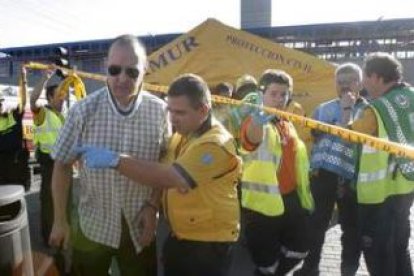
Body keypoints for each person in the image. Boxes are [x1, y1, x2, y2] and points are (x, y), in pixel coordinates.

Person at [77, 73, 242, 276]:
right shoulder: (182, 136)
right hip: (182, 237)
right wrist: (152, 204)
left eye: (180, 112)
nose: (172, 118)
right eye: (170, 110)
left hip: (208, 244)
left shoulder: (215, 144)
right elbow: (162, 167)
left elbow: (169, 177)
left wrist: (116, 160)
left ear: (203, 110)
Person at [49, 34, 171, 276]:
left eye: (132, 72)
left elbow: (164, 164)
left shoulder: (160, 113)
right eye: (115, 70)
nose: (122, 79)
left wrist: (153, 205)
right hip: (93, 227)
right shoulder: (82, 111)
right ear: (106, 66)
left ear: (145, 70)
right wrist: (60, 220)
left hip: (139, 228)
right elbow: (62, 165)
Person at [296, 63, 368, 276]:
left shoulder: (368, 110)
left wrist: (347, 110)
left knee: (350, 228)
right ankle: (310, 267)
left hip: (351, 178)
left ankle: (348, 270)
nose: (344, 86)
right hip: (323, 175)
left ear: (360, 83)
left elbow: (350, 137)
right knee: (316, 224)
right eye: (340, 82)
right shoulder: (323, 108)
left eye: (350, 81)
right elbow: (316, 137)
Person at [239, 69, 314, 276]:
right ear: (261, 93)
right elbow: (251, 140)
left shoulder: (286, 123)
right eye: (274, 94)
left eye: (284, 94)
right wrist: (257, 121)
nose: (279, 99)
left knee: (301, 248)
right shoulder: (254, 121)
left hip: (289, 198)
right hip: (263, 205)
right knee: (266, 263)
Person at [345, 53, 414, 276]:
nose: (363, 82)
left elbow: (351, 134)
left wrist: (348, 108)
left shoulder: (375, 110)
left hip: (378, 197)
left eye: (365, 76)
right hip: (405, 189)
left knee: (379, 257)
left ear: (376, 76)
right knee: (400, 250)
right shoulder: (410, 96)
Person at [30, 68, 65, 246]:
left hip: (62, 166)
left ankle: (61, 235)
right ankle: (48, 239)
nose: (63, 98)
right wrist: (45, 76)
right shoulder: (43, 113)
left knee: (62, 202)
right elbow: (32, 100)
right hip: (49, 165)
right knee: (49, 203)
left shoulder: (63, 115)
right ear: (50, 97)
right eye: (59, 95)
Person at [0, 66, 30, 190]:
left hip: (17, 162)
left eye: (1, 101)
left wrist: (24, 78)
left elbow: (23, 101)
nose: (0, 104)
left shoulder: (13, 115)